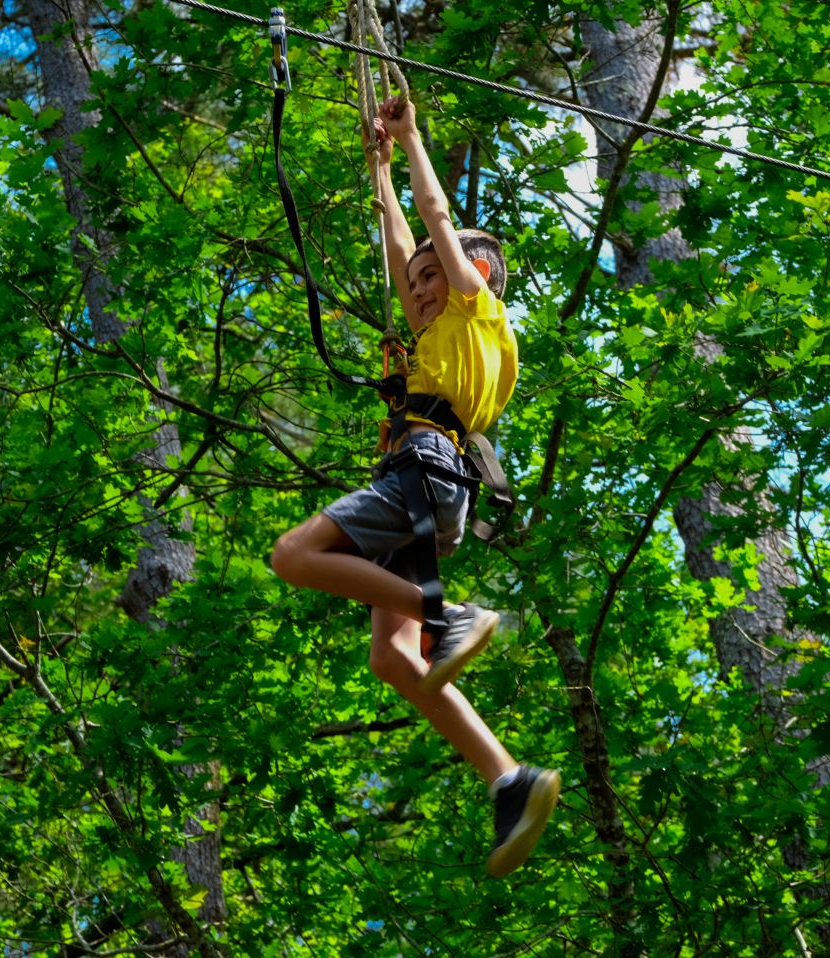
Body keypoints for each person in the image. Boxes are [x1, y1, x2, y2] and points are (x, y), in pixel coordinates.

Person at [270, 95, 559, 877]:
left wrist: (412, 138)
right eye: (418, 282)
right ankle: (509, 777)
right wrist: (379, 170)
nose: (420, 288)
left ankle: (450, 615)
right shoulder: (438, 336)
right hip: (432, 487)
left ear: (473, 275)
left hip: (424, 473)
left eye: (436, 276)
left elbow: (433, 218)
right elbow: (402, 238)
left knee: (293, 555)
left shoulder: (476, 311)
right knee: (394, 659)